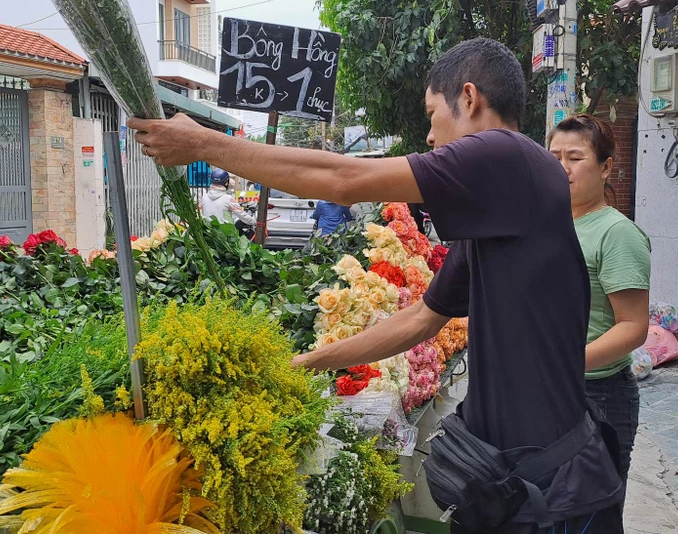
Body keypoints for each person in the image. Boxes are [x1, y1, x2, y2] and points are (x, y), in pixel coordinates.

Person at [130, 37, 623, 533]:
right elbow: (421, 318)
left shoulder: (505, 154)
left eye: (433, 115)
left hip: (552, 491)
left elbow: (346, 180)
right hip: (518, 481)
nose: (430, 136)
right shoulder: (498, 211)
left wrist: (204, 144)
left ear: (469, 99)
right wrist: (306, 362)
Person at [548, 114, 651, 504]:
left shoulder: (616, 233)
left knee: (593, 512)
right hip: (549, 389)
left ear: (606, 167)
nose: (562, 168)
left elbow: (633, 326)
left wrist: (565, 364)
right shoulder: (549, 223)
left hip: (599, 396)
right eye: (553, 156)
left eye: (575, 158)